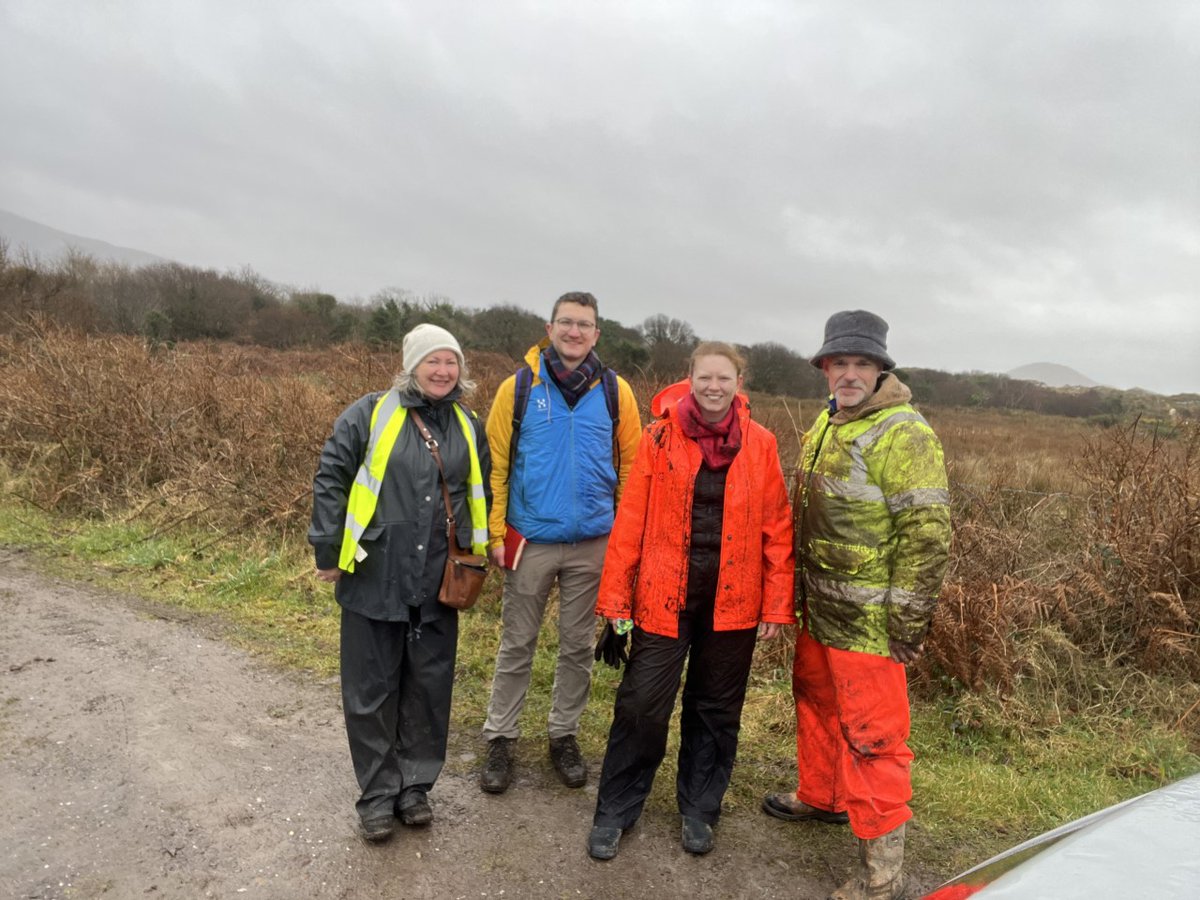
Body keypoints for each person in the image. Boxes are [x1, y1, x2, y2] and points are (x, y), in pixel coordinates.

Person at [762, 310, 951, 900]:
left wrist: (907, 622)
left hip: (870, 628)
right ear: (824, 369)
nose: (847, 373)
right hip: (821, 614)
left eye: (860, 364)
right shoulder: (829, 423)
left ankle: (882, 876)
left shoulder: (905, 433)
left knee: (875, 740)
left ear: (879, 370)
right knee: (815, 702)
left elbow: (928, 532)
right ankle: (822, 797)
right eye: (838, 363)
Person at [586, 342, 795, 860]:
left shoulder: (762, 444)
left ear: (739, 384)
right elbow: (631, 519)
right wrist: (615, 598)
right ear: (691, 378)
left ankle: (700, 809)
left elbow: (777, 526)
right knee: (641, 705)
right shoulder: (660, 437)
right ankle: (615, 808)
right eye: (706, 377)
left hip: (734, 601)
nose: (714, 387)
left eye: (725, 378)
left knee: (716, 709)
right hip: (663, 596)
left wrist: (775, 605)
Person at [308, 323, 491, 843]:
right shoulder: (367, 413)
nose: (442, 370)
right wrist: (328, 548)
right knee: (370, 692)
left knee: (429, 690)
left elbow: (477, 493)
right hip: (374, 573)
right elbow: (332, 477)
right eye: (432, 361)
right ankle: (377, 795)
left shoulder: (467, 424)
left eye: (451, 361)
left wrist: (474, 556)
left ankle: (415, 788)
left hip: (438, 580)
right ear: (411, 365)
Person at [480, 291, 642, 793]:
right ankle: (501, 737)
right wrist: (494, 534)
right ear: (549, 328)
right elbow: (496, 468)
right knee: (517, 643)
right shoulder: (519, 388)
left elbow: (635, 471)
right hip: (530, 540)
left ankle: (563, 735)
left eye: (585, 324)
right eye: (566, 322)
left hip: (594, 542)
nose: (575, 332)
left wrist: (624, 542)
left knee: (576, 647)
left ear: (597, 334)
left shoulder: (618, 393)